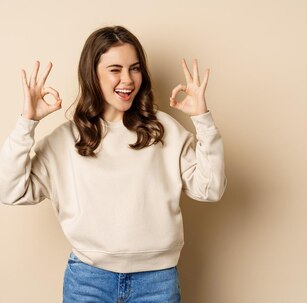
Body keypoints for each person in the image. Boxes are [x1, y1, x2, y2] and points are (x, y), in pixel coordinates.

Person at [0, 25, 227, 302]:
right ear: (92, 74)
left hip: (157, 281)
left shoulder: (164, 130)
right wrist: (27, 122)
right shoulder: (66, 140)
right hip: (88, 281)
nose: (128, 79)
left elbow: (211, 189)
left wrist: (202, 118)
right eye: (115, 69)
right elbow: (10, 190)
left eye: (134, 68)